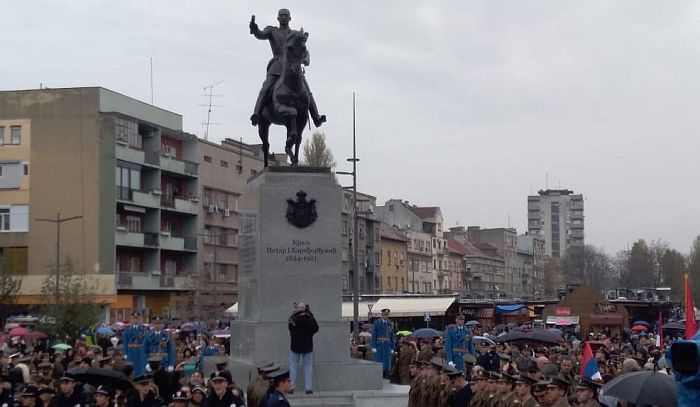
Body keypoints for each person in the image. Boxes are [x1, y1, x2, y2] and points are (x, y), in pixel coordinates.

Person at [248, 9, 326, 128]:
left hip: (293, 68)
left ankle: (316, 117)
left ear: (290, 18)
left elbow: (304, 49)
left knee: (307, 91)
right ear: (278, 18)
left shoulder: (295, 34)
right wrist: (254, 29)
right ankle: (256, 114)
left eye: (286, 15)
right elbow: (260, 34)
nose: (283, 17)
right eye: (281, 15)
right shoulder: (272, 31)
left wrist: (305, 59)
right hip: (276, 66)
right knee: (265, 88)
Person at [288, 302, 318, 395]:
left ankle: (292, 387)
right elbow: (316, 328)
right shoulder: (310, 318)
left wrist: (293, 314)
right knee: (308, 367)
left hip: (295, 345)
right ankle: (308, 388)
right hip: (307, 345)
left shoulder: (294, 318)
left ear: (298, 309)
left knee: (293, 366)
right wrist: (310, 313)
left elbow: (290, 327)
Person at [123, 312, 149, 378]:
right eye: (134, 318)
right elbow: (125, 342)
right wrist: (125, 353)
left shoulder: (144, 329)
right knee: (131, 367)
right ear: (131, 319)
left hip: (140, 351)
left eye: (137, 318)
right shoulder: (127, 329)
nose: (135, 320)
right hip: (130, 351)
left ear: (139, 319)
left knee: (140, 367)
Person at [371, 308, 395, 376]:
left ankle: (386, 373)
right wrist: (374, 346)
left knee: (387, 362)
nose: (386, 316)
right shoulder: (377, 323)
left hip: (387, 345)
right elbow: (374, 335)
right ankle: (380, 373)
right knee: (380, 361)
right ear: (382, 315)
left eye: (387, 315)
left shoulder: (390, 323)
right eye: (384, 314)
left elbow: (392, 336)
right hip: (380, 345)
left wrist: (393, 347)